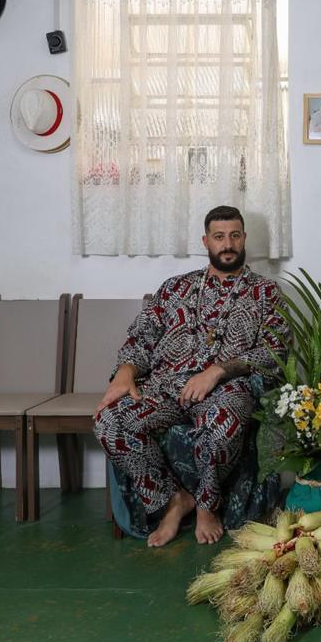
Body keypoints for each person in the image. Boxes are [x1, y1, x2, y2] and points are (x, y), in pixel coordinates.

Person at [94, 205, 288, 547]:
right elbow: (142, 336)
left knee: (222, 424)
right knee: (110, 421)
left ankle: (207, 507)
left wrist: (217, 372)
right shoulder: (174, 289)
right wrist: (126, 371)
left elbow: (275, 350)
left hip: (227, 389)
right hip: (166, 386)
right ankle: (173, 501)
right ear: (206, 241)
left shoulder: (266, 293)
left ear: (244, 238)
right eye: (219, 237)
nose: (227, 244)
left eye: (234, 236)